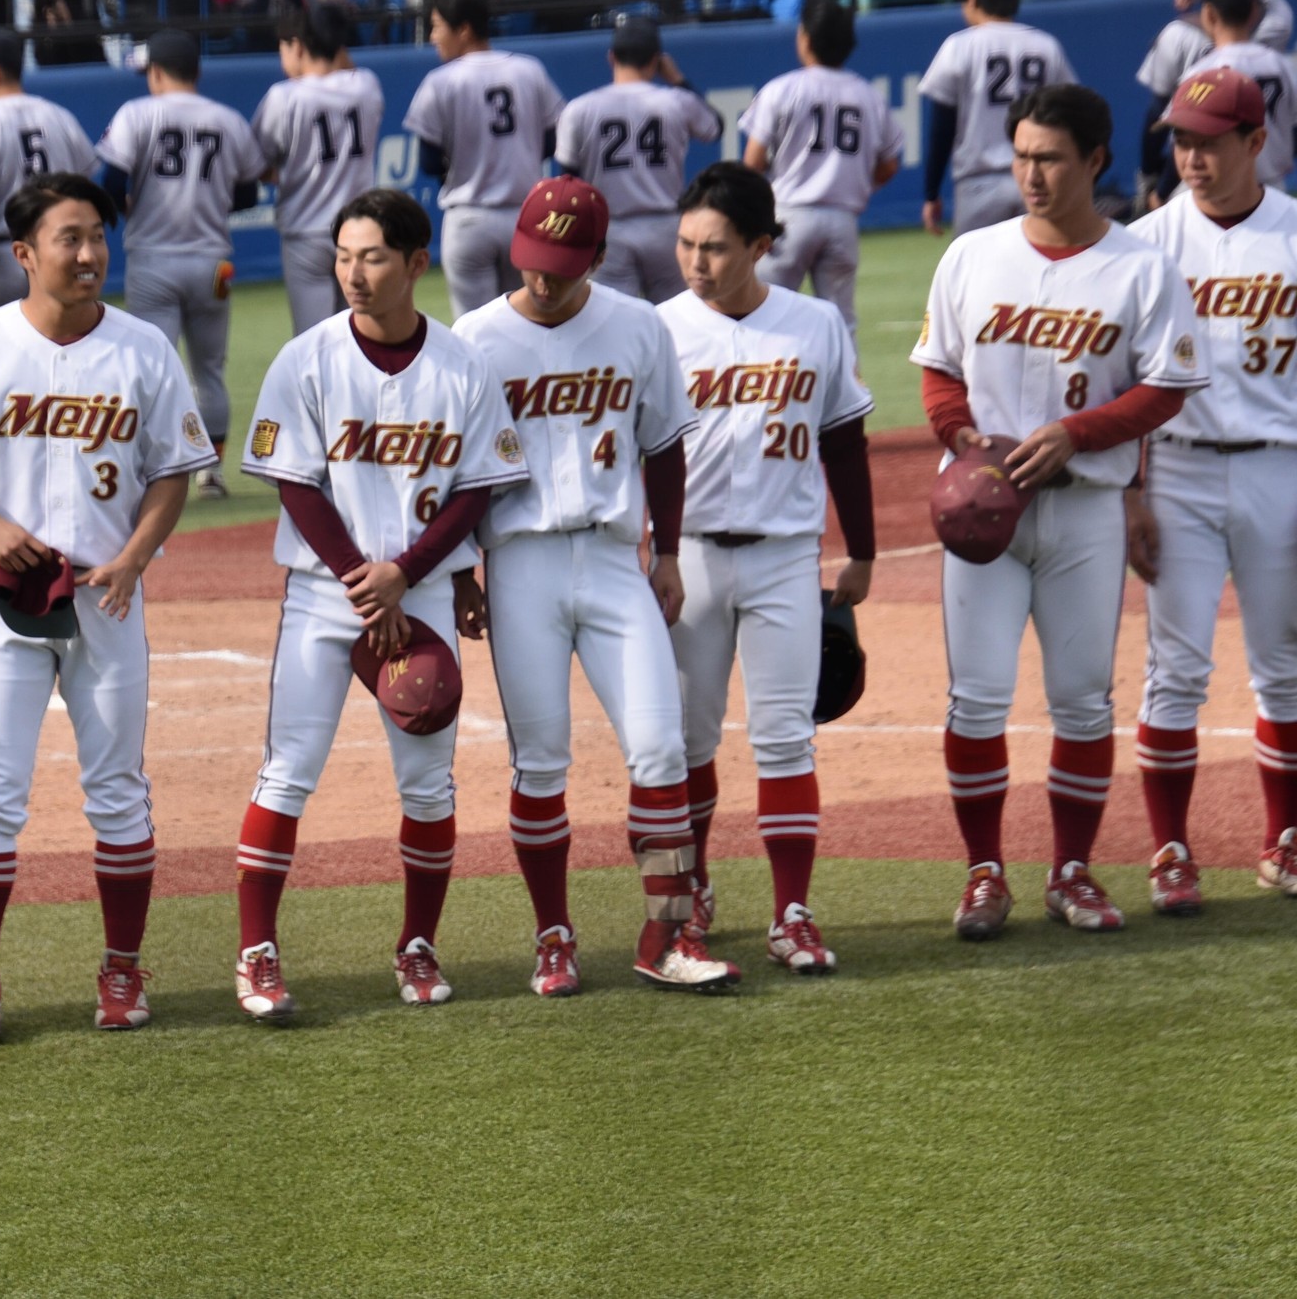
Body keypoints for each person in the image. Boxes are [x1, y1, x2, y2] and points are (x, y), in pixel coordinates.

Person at [0, 173, 215, 1044]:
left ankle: (122, 969)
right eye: (69, 238)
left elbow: (172, 469)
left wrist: (134, 555)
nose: (88, 255)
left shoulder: (144, 347)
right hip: (6, 600)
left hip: (108, 596)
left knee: (117, 792)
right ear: (24, 254)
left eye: (97, 238)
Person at [912, 84, 1206, 940]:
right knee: (977, 700)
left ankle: (1071, 871)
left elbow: (1167, 388)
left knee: (1082, 701)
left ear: (1095, 161)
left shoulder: (1140, 267)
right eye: (1021, 155)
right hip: (984, 517)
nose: (1031, 174)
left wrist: (1078, 433)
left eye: (1049, 158)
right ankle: (983, 873)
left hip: (1083, 511)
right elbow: (938, 368)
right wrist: (960, 432)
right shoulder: (973, 255)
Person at [230, 188, 530, 1020]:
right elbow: (295, 481)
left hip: (424, 590)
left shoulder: (462, 364)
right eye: (342, 256)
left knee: (429, 785)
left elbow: (479, 489)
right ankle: (257, 952)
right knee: (288, 771)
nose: (353, 274)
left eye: (372, 257)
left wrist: (414, 571)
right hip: (328, 594)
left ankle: (419, 944)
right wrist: (367, 577)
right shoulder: (308, 358)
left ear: (417, 264)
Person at [451, 175, 742, 995]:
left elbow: (664, 446)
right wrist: (462, 570)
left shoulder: (638, 326)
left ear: (600, 258)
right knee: (540, 763)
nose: (543, 278)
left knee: (661, 747)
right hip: (521, 564)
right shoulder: (473, 338)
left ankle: (666, 934)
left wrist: (671, 552)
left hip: (616, 559)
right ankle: (554, 935)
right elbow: (454, 473)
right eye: (534, 260)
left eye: (563, 264)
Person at [657, 162, 877, 973]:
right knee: (686, 740)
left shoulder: (813, 324)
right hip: (692, 560)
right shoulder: (660, 328)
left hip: (787, 556)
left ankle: (792, 911)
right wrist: (655, 552)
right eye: (685, 244)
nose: (695, 262)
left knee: (786, 740)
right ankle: (691, 893)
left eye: (714, 247)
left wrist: (862, 546)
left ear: (761, 244)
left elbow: (845, 440)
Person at [1127, 68, 1297, 909]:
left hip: (1282, 464)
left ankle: (1285, 838)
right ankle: (1170, 848)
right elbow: (1119, 377)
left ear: (1256, 143)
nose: (1190, 155)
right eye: (1181, 139)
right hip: (1179, 470)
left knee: (1286, 666)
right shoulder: (1146, 243)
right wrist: (1131, 491)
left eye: (1209, 140)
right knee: (1176, 668)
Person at [98, 29, 266, 500]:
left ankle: (148, 469)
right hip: (212, 261)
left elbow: (109, 184)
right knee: (209, 370)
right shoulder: (228, 119)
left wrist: (132, 207)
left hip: (153, 259)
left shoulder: (137, 113)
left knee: (151, 369)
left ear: (155, 72)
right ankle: (210, 473)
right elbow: (250, 192)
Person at [740, 0, 903, 336]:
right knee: (841, 325)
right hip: (841, 220)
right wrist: (856, 182)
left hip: (788, 216)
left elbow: (752, 162)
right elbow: (889, 164)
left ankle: (768, 388)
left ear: (806, 38)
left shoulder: (782, 89)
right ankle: (850, 391)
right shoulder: (868, 94)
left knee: (766, 316)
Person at [403, 0, 564, 321]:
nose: (433, 36)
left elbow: (429, 160)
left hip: (470, 219)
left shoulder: (441, 80)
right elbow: (552, 142)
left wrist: (462, 166)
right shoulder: (529, 69)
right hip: (526, 218)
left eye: (437, 26)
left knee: (475, 330)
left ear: (463, 29)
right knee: (526, 324)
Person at [552, 18, 721, 303]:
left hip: (611, 230)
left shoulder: (580, 109)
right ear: (656, 60)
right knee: (677, 322)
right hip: (666, 227)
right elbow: (715, 127)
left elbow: (569, 180)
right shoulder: (676, 100)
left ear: (611, 57)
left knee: (615, 322)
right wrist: (678, 80)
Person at [0, 26, 98, 327]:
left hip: (5, 257)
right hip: (62, 252)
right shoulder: (62, 118)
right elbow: (86, 194)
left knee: (0, 365)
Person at [252, 3, 386, 335]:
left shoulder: (284, 96)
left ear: (298, 45)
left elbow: (257, 164)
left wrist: (284, 172)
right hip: (358, 229)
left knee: (313, 341)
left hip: (306, 233)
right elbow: (347, 67)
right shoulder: (366, 84)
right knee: (359, 337)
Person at [919, 0, 1076, 237]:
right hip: (1036, 178)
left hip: (978, 184)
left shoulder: (959, 46)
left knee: (979, 276)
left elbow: (942, 128)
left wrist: (932, 192)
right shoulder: (1046, 46)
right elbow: (1071, 116)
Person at [1136, 0, 1291, 202]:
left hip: (1211, 191)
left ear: (1209, 15)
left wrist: (1161, 191)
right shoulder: (1283, 63)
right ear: (1253, 10)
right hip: (1272, 189)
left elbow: (1186, 138)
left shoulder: (1202, 72)